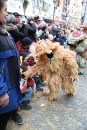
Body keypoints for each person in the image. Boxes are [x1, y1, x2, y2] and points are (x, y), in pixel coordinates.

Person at [0, 1, 22, 130]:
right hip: (3, 90)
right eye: (5, 10)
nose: (7, 13)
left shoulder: (5, 33)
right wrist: (1, 91)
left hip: (10, 87)